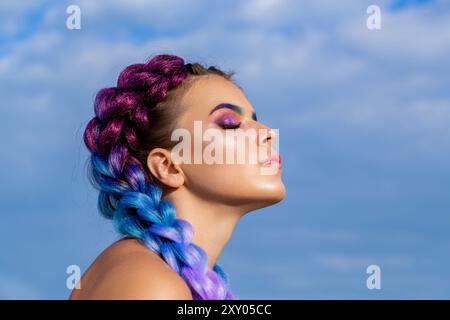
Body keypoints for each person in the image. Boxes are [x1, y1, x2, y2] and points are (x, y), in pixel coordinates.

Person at [70, 54, 286, 300]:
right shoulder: (149, 282)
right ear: (168, 167)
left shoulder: (162, 274)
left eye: (255, 120)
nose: (268, 133)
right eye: (229, 123)